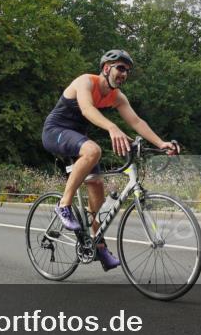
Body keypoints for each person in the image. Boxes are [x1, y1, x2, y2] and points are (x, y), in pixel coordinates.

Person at [42, 50, 179, 271]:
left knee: (97, 185)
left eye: (127, 71)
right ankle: (64, 205)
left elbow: (136, 121)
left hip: (78, 138)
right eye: (120, 68)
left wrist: (161, 143)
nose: (124, 74)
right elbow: (86, 109)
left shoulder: (117, 97)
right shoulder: (86, 82)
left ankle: (98, 245)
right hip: (55, 131)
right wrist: (112, 127)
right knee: (93, 150)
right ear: (107, 68)